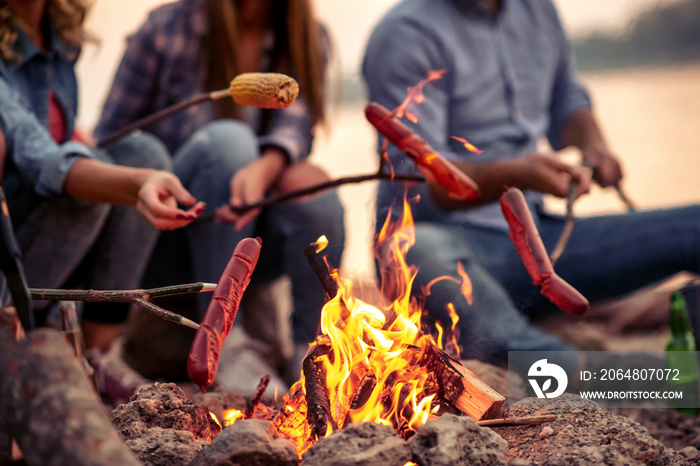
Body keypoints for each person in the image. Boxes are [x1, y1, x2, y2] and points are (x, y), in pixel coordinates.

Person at [362, 0, 700, 379]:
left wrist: (594, 144)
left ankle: (673, 352)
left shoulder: (538, 10)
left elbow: (567, 101)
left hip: (541, 240)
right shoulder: (405, 31)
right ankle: (620, 379)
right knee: (416, 250)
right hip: (451, 244)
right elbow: (420, 182)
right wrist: (518, 173)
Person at [95, 0, 345, 389]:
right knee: (230, 140)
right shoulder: (166, 28)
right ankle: (224, 344)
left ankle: (310, 352)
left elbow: (296, 130)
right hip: (167, 238)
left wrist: (265, 167)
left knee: (312, 186)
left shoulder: (308, 36)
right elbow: (114, 144)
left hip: (248, 239)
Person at [0, 0, 203, 399]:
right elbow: (41, 160)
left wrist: (117, 162)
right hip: (9, 254)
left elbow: (55, 139)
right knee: (93, 189)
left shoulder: (58, 39)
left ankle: (96, 357)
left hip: (45, 232)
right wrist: (137, 183)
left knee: (143, 151)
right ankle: (18, 334)